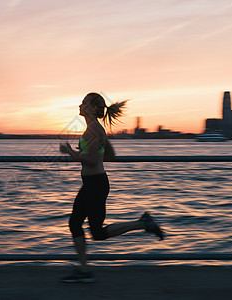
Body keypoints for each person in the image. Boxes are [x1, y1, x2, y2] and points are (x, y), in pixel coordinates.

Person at [59, 92, 164, 283]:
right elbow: (110, 156)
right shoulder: (95, 129)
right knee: (75, 223)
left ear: (90, 108)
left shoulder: (93, 130)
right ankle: (83, 270)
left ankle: (143, 223)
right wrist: (87, 150)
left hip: (96, 185)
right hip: (91, 184)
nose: (79, 106)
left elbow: (91, 161)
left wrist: (69, 152)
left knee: (97, 233)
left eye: (83, 103)